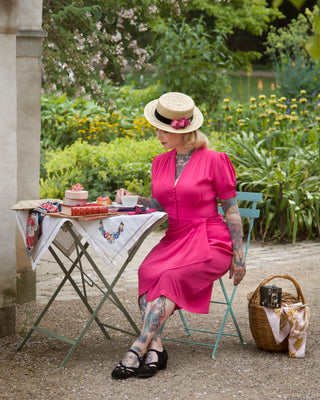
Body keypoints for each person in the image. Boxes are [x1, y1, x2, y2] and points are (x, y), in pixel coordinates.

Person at [111, 92, 246, 379]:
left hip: (211, 240)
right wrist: (134, 198)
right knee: (148, 271)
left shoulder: (215, 160)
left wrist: (239, 254)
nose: (158, 134)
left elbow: (231, 209)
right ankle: (156, 347)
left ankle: (137, 347)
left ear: (182, 130)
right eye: (158, 128)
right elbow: (162, 205)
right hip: (175, 237)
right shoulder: (159, 162)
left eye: (164, 130)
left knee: (169, 277)